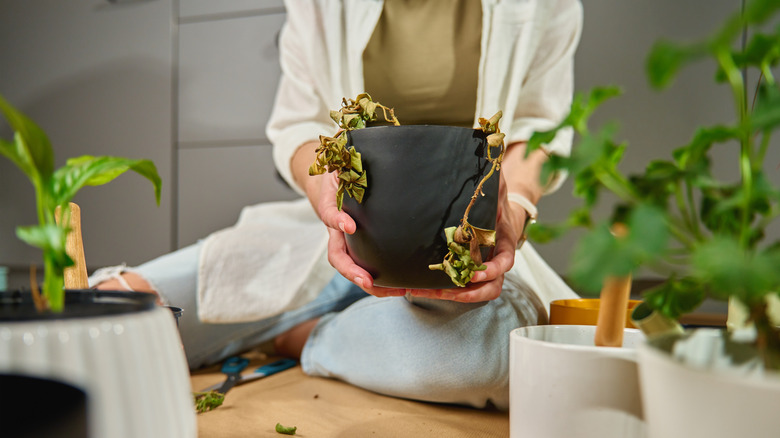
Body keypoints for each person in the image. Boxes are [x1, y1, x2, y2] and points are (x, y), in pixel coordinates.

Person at [93, 0, 583, 411]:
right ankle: (343, 328)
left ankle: (307, 336)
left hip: (459, 249)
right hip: (337, 229)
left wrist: (512, 208)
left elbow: (540, 131)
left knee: (495, 355)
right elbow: (298, 127)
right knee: (120, 303)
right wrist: (326, 193)